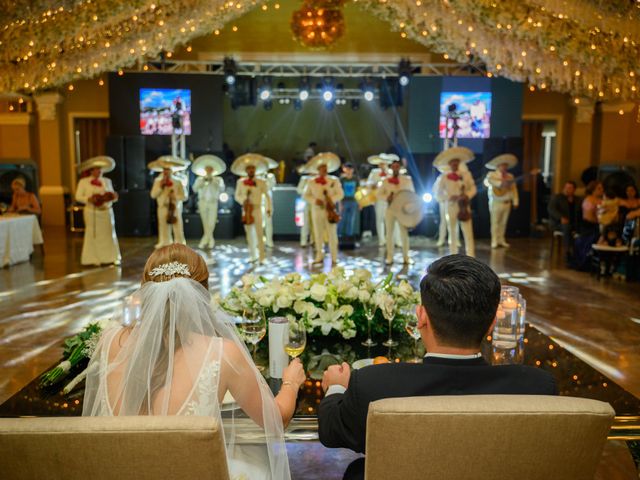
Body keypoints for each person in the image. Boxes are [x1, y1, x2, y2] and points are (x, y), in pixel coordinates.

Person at [318, 255, 556, 479]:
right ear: (493, 323)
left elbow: (330, 432)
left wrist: (337, 388)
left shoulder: (374, 385)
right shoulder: (538, 388)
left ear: (421, 317)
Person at [83, 244, 306, 480]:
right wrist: (291, 382)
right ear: (202, 294)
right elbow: (276, 420)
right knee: (255, 459)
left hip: (121, 472)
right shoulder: (223, 353)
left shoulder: (107, 341)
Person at [75, 156, 121, 266]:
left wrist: (113, 197)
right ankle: (92, 259)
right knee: (93, 234)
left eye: (100, 169)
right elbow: (78, 196)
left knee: (108, 234)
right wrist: (88, 199)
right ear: (91, 170)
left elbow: (112, 197)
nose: (99, 171)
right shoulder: (84, 182)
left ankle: (110, 258)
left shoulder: (107, 181)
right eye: (96, 169)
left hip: (106, 212)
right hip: (92, 212)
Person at [433, 147, 477, 257]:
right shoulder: (444, 177)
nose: (455, 164)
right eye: (452, 162)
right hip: (451, 206)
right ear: (449, 164)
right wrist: (448, 197)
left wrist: (466, 195)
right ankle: (453, 255)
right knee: (452, 231)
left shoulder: (466, 174)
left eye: (457, 162)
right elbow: (438, 193)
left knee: (468, 231)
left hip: (463, 205)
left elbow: (473, 188)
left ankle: (470, 256)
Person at [303, 153, 344, 265]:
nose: (323, 170)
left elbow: (340, 194)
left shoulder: (334, 180)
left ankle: (334, 257)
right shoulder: (311, 182)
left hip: (330, 211)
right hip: (317, 210)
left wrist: (330, 200)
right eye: (321, 168)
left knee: (332, 234)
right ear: (318, 170)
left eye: (325, 168)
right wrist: (315, 200)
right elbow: (305, 195)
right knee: (318, 233)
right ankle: (319, 255)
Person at [233, 153, 271, 264]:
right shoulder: (240, 182)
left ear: (255, 170)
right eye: (249, 169)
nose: (251, 170)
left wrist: (269, 208)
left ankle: (262, 257)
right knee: (249, 234)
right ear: (246, 170)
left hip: (258, 209)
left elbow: (267, 196)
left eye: (252, 168)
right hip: (246, 210)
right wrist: (243, 199)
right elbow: (237, 196)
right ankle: (253, 255)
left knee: (260, 233)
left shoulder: (261, 182)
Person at [377, 158, 415, 265]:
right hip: (390, 209)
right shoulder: (385, 180)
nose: (395, 168)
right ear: (390, 168)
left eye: (397, 166)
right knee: (389, 233)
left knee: (404, 234)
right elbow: (379, 194)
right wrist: (386, 197)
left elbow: (412, 194)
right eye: (393, 166)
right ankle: (389, 257)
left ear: (400, 167)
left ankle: (406, 257)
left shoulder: (407, 179)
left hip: (402, 210)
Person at [150, 156, 189, 249]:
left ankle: (180, 243)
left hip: (175, 207)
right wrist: (160, 187)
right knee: (163, 226)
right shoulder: (158, 181)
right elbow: (153, 195)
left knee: (177, 226)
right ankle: (164, 242)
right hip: (162, 206)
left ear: (172, 170)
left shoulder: (178, 181)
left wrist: (175, 196)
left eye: (168, 169)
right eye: (164, 169)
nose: (166, 172)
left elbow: (184, 196)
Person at [483, 154, 519, 248]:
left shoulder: (510, 176)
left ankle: (501, 239)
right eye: (502, 165)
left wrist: (515, 201)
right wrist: (501, 183)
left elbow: (514, 189)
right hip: (496, 203)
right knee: (495, 222)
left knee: (503, 222)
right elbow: (489, 181)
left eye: (505, 165)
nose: (504, 167)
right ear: (498, 166)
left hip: (507, 203)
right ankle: (494, 240)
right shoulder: (492, 175)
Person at [191, 155, 226, 250]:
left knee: (211, 222)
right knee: (205, 222)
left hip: (213, 202)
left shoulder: (218, 179)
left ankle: (204, 240)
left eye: (210, 169)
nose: (208, 170)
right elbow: (194, 189)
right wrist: (203, 181)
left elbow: (222, 189)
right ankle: (210, 240)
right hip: (202, 202)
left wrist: (213, 180)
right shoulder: (199, 179)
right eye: (207, 169)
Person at [366, 153, 394, 247]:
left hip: (390, 200)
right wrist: (373, 185)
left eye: (384, 163)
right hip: (379, 199)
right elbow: (369, 184)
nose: (382, 165)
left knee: (389, 220)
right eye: (381, 163)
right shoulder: (374, 172)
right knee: (380, 219)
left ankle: (390, 238)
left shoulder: (391, 172)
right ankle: (381, 240)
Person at [547, 180, 581, 251]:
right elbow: (551, 209)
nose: (567, 189)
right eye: (566, 187)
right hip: (559, 223)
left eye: (569, 188)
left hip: (574, 222)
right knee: (567, 226)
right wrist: (561, 218)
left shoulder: (578, 199)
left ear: (574, 190)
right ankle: (568, 249)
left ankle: (580, 250)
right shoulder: (557, 197)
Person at [260, 158, 278, 249]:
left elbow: (271, 186)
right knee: (259, 222)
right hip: (259, 201)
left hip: (268, 201)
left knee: (268, 222)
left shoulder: (270, 176)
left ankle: (269, 241)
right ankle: (260, 240)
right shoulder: (257, 176)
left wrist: (266, 179)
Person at [338, 163, 359, 239]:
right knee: (342, 219)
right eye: (347, 169)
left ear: (352, 170)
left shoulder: (355, 179)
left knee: (351, 219)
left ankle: (349, 235)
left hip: (353, 201)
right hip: (344, 201)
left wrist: (359, 202)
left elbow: (358, 190)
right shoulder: (342, 179)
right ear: (344, 170)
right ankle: (339, 234)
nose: (349, 171)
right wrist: (340, 203)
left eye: (350, 169)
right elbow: (339, 192)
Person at [296, 165, 314, 247]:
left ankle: (313, 241)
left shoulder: (317, 179)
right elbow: (299, 190)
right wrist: (305, 192)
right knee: (304, 222)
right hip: (305, 203)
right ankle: (303, 241)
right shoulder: (304, 179)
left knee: (314, 223)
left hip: (315, 204)